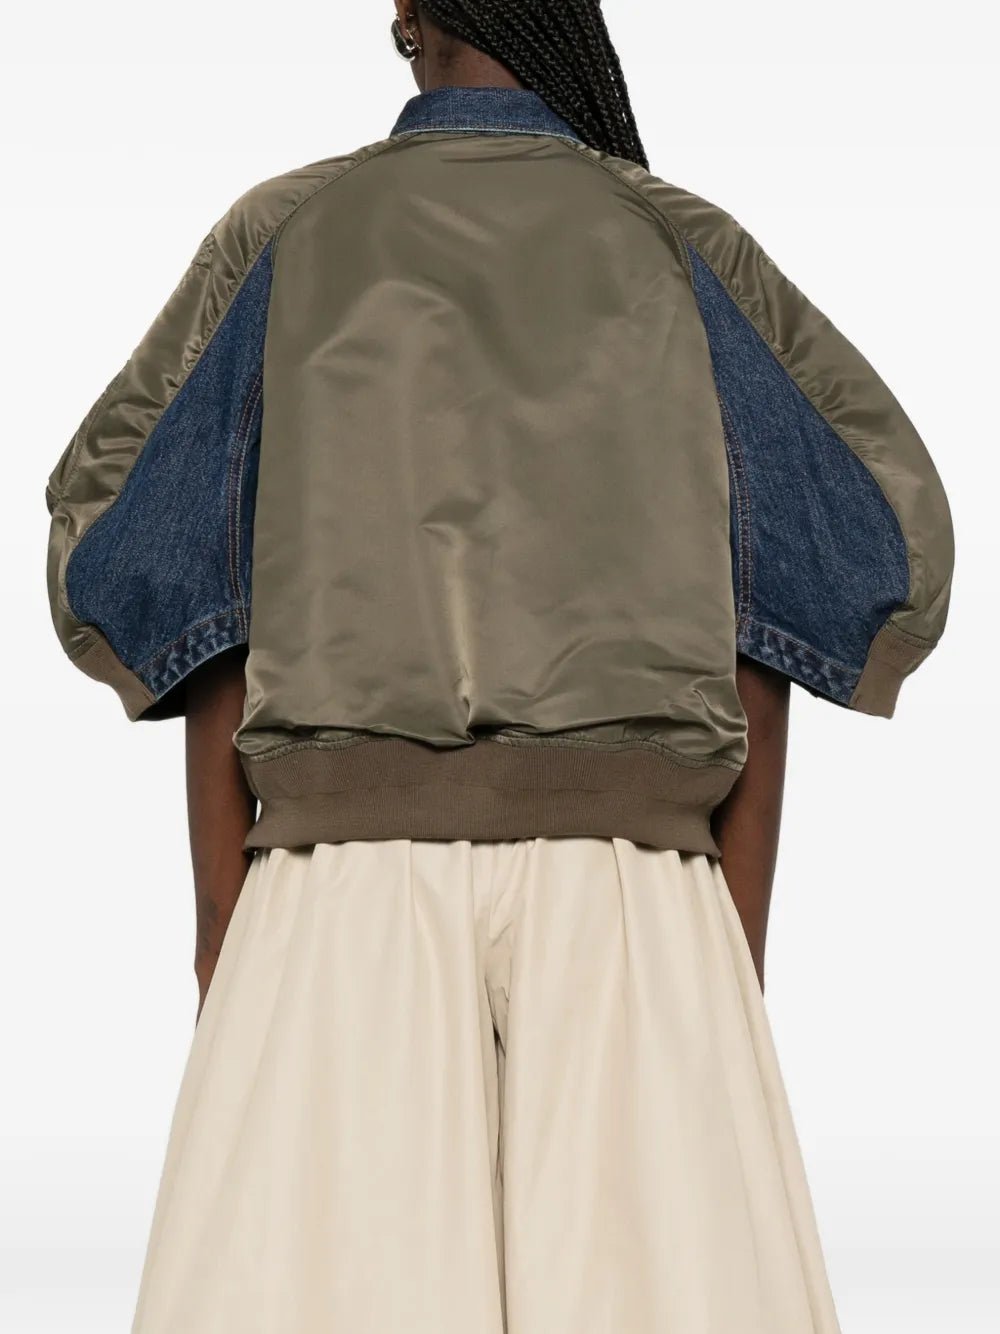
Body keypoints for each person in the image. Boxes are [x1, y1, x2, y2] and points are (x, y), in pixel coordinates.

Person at [44, 2, 954, 1331]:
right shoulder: (678, 244)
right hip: (630, 891)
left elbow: (180, 595)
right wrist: (724, 935)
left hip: (340, 888)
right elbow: (812, 592)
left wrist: (222, 932)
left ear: (406, 15)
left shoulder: (287, 237)